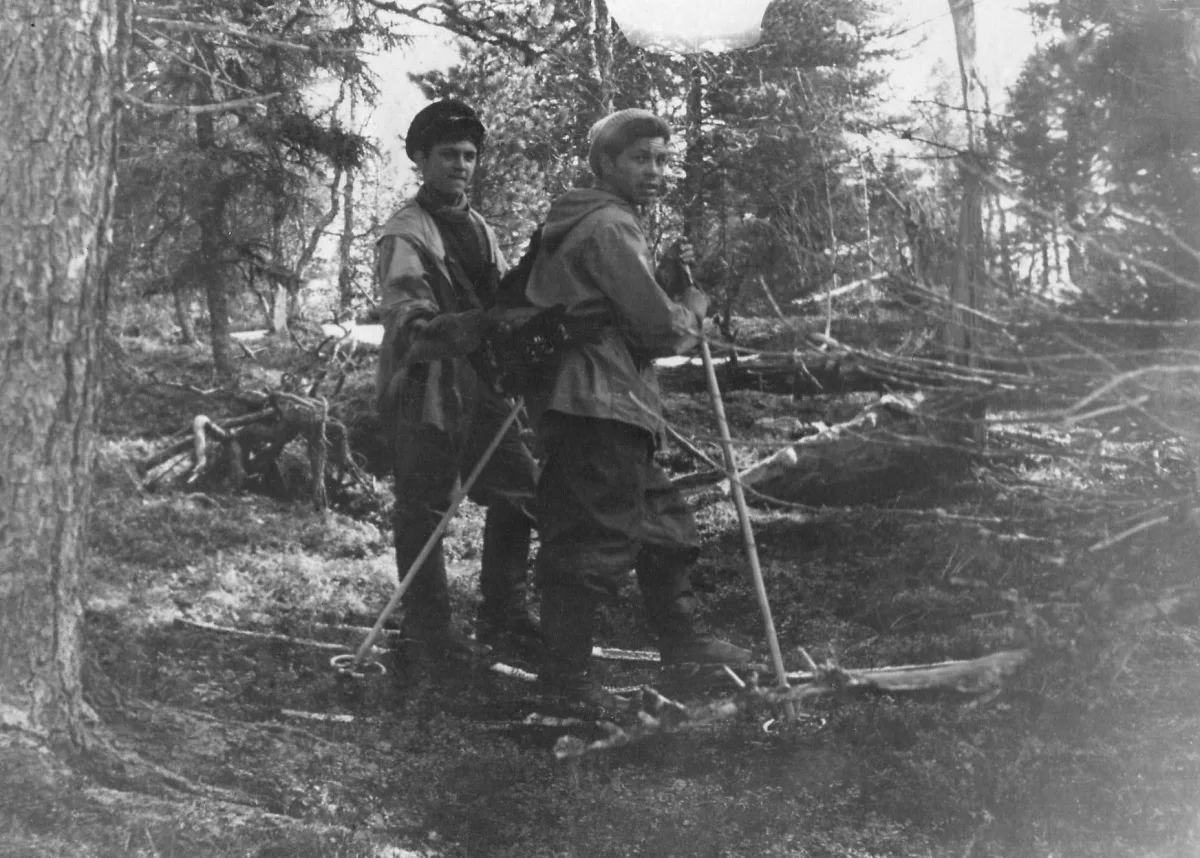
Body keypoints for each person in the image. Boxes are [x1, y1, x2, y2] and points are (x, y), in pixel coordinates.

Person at [523, 107, 752, 708]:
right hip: (595, 403)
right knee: (589, 547)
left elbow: (625, 306)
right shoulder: (608, 227)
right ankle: (564, 688)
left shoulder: (604, 221)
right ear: (605, 164)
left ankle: (686, 647)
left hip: (615, 405)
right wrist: (693, 308)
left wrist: (662, 286)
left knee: (664, 527)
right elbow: (659, 332)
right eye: (640, 158)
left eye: (662, 158)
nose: (655, 171)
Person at [375, 98, 539, 659]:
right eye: (448, 154)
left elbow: (496, 299)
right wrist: (476, 324)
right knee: (423, 508)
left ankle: (505, 612)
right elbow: (407, 319)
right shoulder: (405, 234)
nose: (461, 165)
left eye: (470, 155)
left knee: (519, 488)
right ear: (420, 158)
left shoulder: (479, 227)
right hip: (425, 386)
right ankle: (427, 629)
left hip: (480, 383)